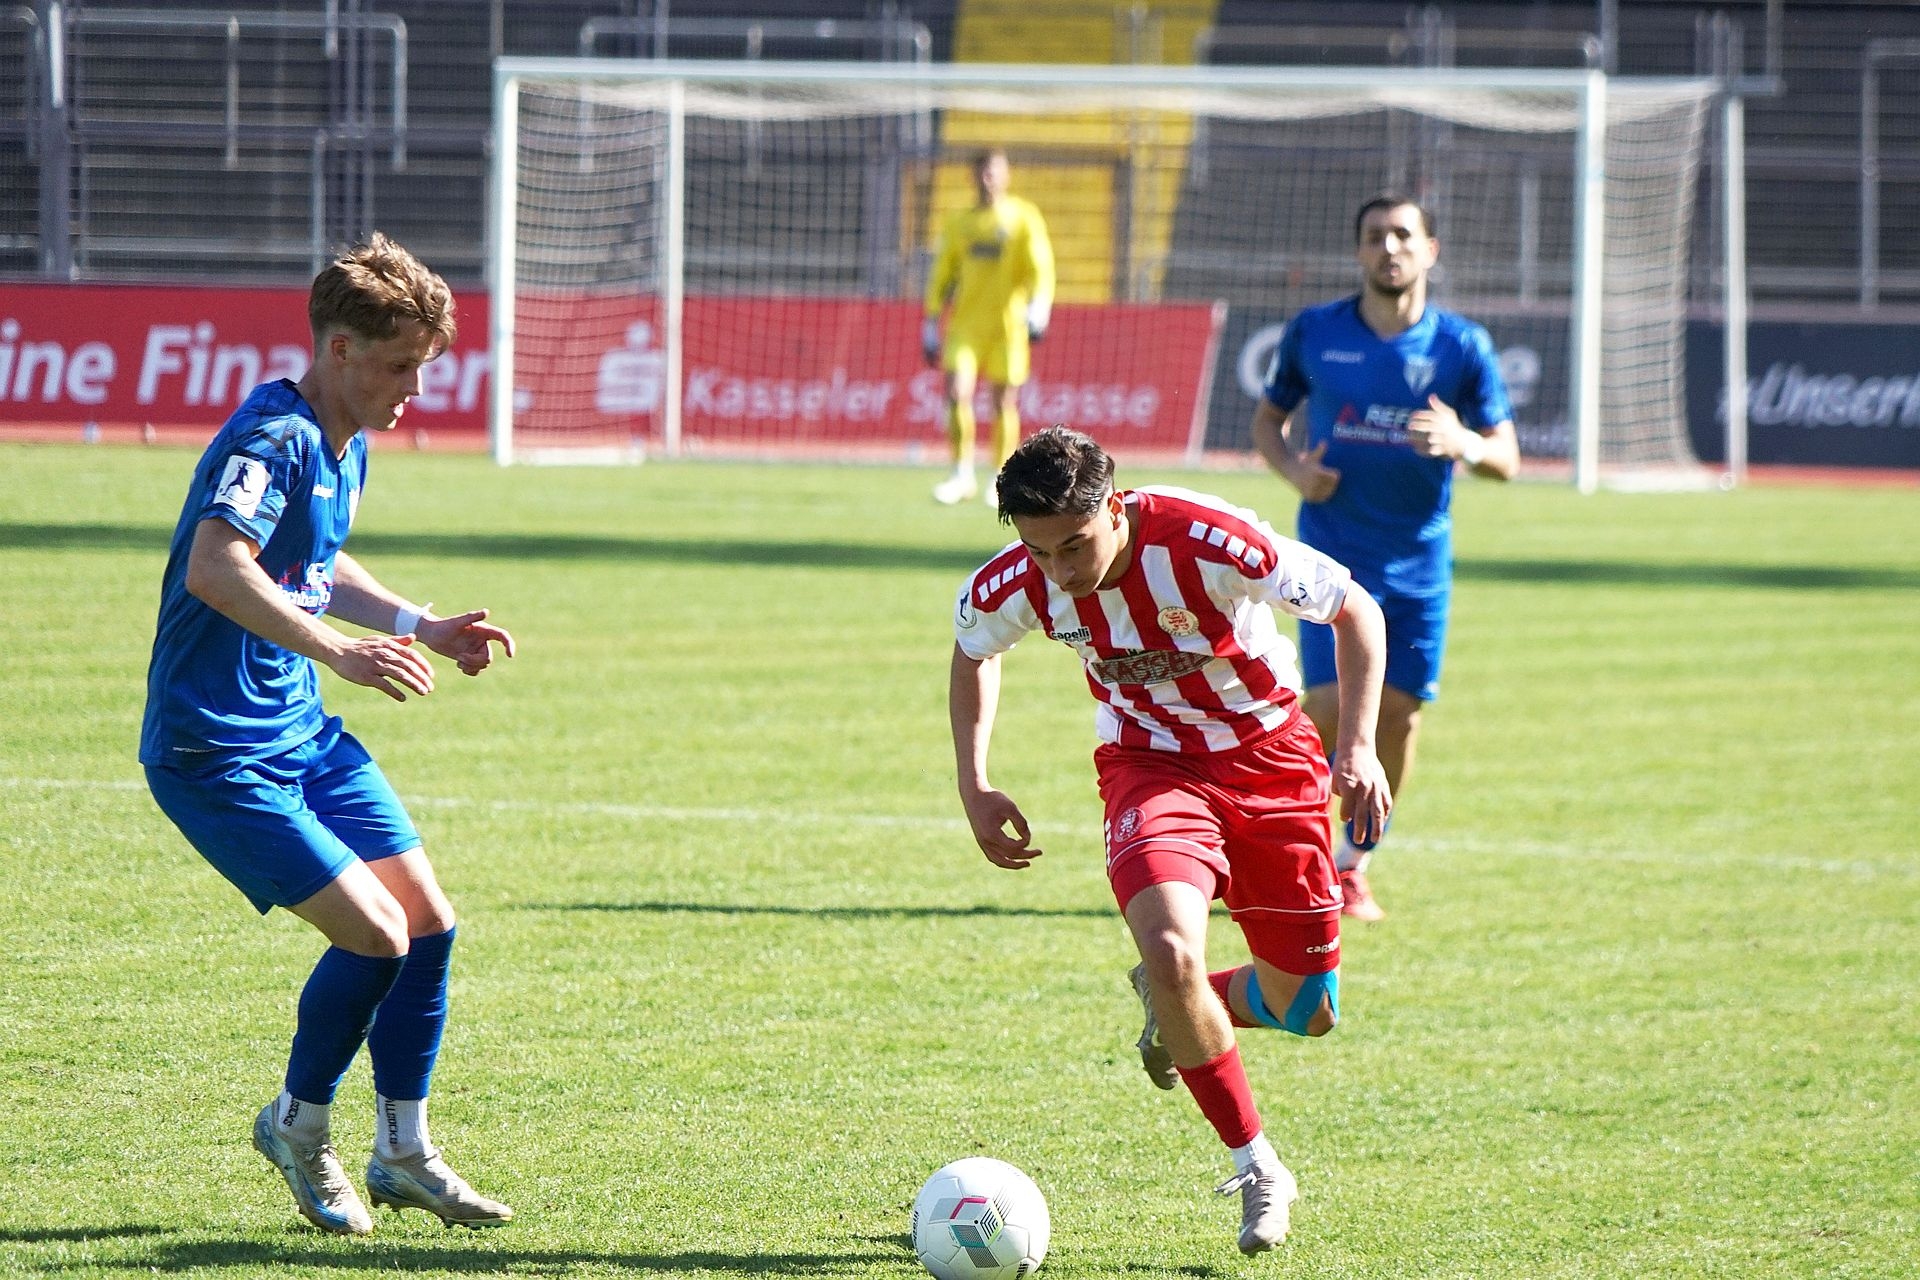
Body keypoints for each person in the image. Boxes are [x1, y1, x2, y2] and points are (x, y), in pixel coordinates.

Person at [140, 233, 517, 1236]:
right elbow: (217, 568)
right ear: (340, 350)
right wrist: (341, 651)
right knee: (375, 933)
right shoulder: (274, 438)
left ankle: (404, 1152)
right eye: (400, 366)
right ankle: (298, 1127)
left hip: (299, 733)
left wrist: (418, 624)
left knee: (427, 921)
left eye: (422, 367)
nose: (415, 390)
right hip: (214, 752)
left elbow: (317, 559)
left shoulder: (345, 439)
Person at [948, 425, 1392, 1255]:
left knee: (1307, 1010)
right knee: (1170, 949)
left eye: (1074, 546)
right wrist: (974, 782)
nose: (1060, 572)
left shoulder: (1211, 539)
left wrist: (1358, 746)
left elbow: (1353, 608)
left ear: (1114, 508)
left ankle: (1182, 1004)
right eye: (1040, 551)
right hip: (1149, 767)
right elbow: (973, 650)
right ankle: (1258, 1166)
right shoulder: (1021, 579)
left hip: (1271, 761)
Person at [1249, 192, 1520, 923]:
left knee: (1397, 718)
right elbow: (1268, 421)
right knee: (1327, 709)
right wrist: (1294, 471)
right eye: (1375, 236)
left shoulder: (1462, 346)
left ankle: (1351, 864)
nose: (1389, 248)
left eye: (1403, 235)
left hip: (1418, 562)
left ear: (1430, 250)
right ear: (1359, 251)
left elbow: (1507, 457)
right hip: (1330, 556)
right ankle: (1286, 852)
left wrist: (1463, 443)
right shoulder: (1314, 332)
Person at [923, 147, 1056, 507]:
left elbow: (1040, 266)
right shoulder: (960, 223)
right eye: (982, 172)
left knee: (1002, 402)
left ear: (1006, 175)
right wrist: (931, 319)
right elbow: (943, 273)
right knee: (956, 393)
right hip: (966, 327)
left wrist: (1039, 306)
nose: (988, 178)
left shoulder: (1023, 218)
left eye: (994, 171)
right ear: (973, 176)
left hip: (1008, 328)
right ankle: (960, 474)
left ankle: (1000, 478)